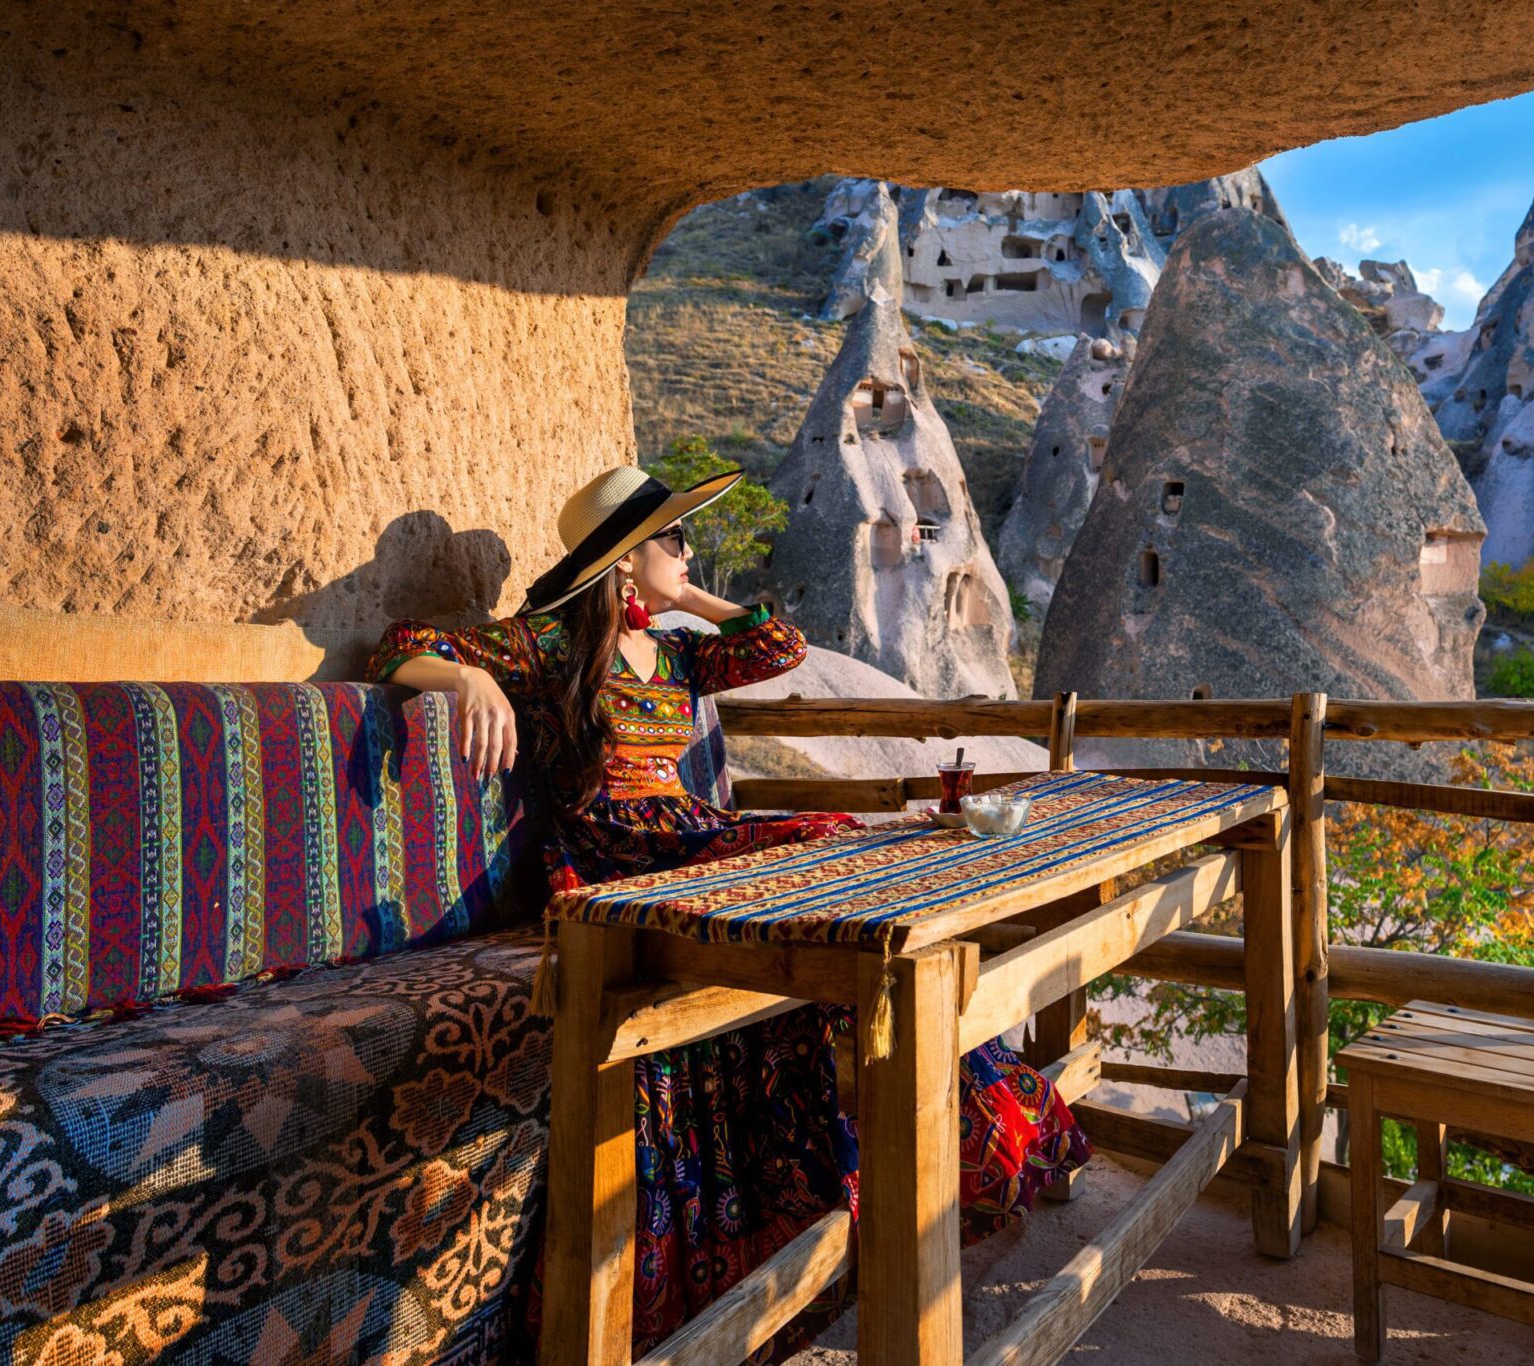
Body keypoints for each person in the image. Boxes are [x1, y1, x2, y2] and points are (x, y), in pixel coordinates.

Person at [369, 465, 1090, 1355]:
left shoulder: (674, 652)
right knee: (819, 840)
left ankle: (931, 1110)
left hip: (688, 834)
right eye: (674, 538)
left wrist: (679, 590)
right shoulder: (550, 644)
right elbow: (394, 643)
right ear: (626, 559)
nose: (689, 549)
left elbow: (777, 645)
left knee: (834, 852)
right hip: (616, 856)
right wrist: (468, 680)